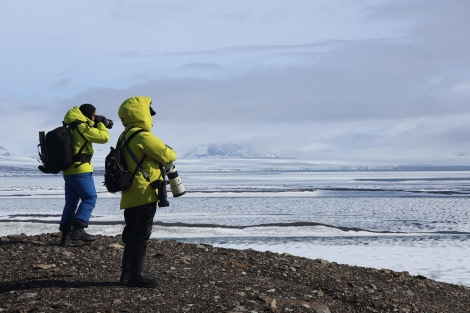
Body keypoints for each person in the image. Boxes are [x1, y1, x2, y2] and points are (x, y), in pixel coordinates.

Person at [117, 96, 177, 288]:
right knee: (141, 235)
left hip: (129, 193)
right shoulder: (143, 136)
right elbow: (169, 154)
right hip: (144, 192)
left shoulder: (124, 136)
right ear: (141, 114)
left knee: (132, 234)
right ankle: (136, 276)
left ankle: (126, 275)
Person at [59, 104, 110, 245]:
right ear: (88, 115)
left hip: (69, 171)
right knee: (90, 197)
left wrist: (95, 122)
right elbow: (103, 137)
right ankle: (79, 229)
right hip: (81, 170)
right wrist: (100, 124)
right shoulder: (81, 127)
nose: (95, 117)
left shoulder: (72, 126)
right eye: (94, 115)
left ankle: (66, 236)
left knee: (71, 203)